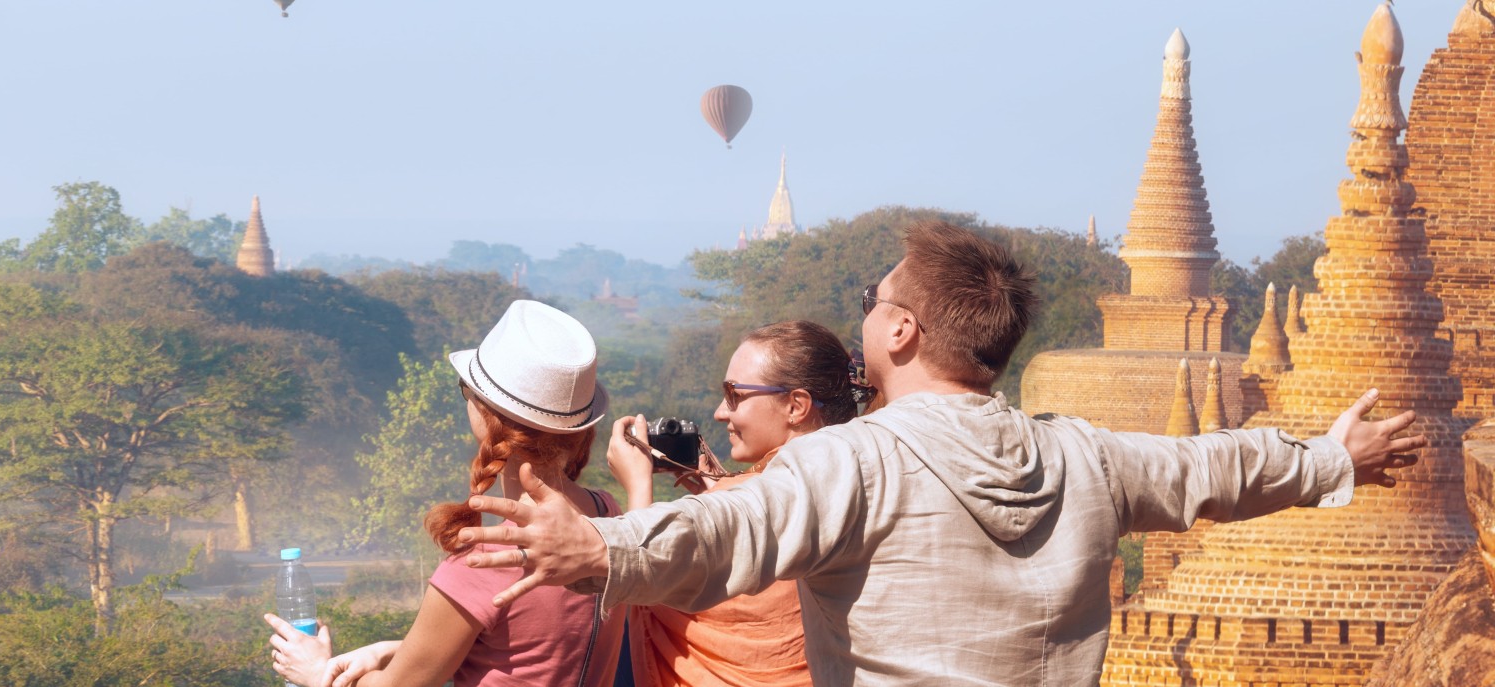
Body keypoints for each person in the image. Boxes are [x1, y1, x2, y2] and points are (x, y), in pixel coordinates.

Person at [453, 220, 1424, 685]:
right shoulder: (1085, 456)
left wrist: (605, 550)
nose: (866, 314)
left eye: (876, 301)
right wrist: (1330, 459)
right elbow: (1213, 468)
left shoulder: (857, 463)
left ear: (904, 334)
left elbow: (733, 528)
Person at [266, 300, 628, 687]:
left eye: (466, 391)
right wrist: (392, 649)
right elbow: (529, 648)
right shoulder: (610, 517)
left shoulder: (485, 564)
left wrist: (317, 674)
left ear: (485, 416)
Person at [607, 320, 860, 687]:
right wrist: (720, 495)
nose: (719, 413)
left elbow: (641, 579)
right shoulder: (854, 476)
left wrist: (637, 483)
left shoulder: (757, 495)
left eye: (734, 396)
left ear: (795, 405)